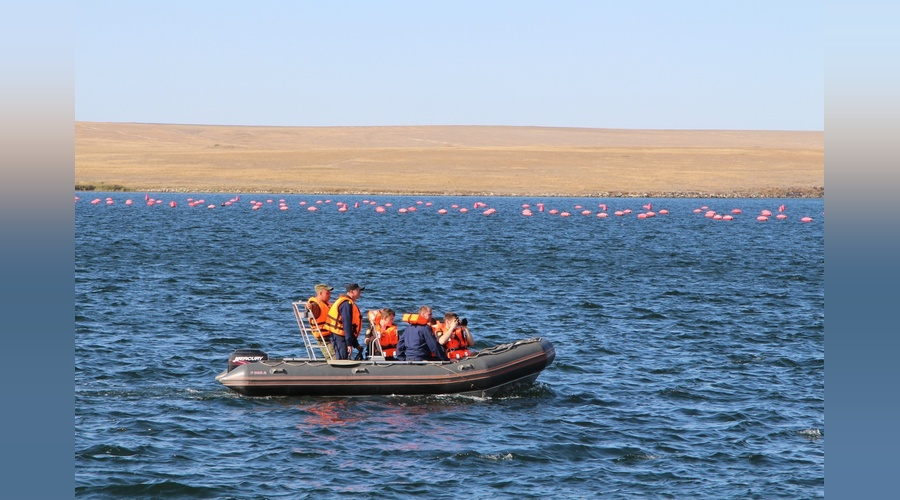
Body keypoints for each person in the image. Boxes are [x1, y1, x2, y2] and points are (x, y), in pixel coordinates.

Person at [325, 283, 365, 360]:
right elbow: (346, 324)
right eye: (358, 290)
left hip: (342, 335)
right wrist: (349, 344)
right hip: (339, 336)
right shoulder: (346, 304)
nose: (360, 292)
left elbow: (349, 327)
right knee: (342, 359)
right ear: (351, 292)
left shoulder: (348, 302)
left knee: (344, 357)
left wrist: (355, 344)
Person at [305, 283, 335, 359]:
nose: (330, 295)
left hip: (331, 334)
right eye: (327, 293)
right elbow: (312, 308)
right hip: (323, 336)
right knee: (333, 356)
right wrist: (309, 307)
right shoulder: (315, 304)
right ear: (320, 293)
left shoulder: (327, 304)